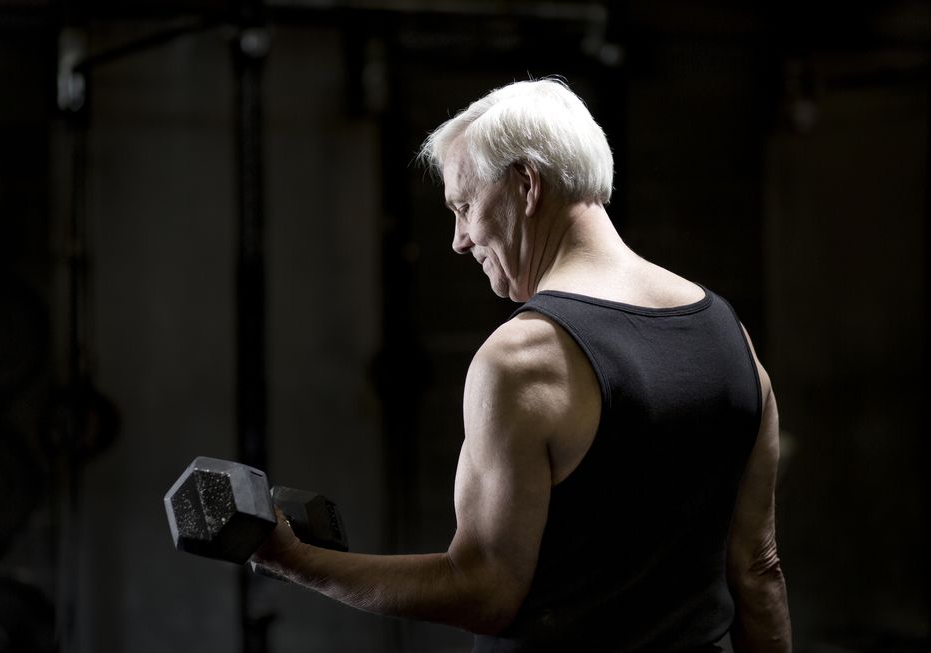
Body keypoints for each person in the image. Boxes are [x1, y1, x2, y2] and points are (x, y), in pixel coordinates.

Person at [251, 78, 791, 652]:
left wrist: (297, 562)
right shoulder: (728, 335)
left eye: (464, 206)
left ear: (527, 184)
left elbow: (482, 589)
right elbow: (759, 571)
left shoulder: (522, 359)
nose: (459, 240)